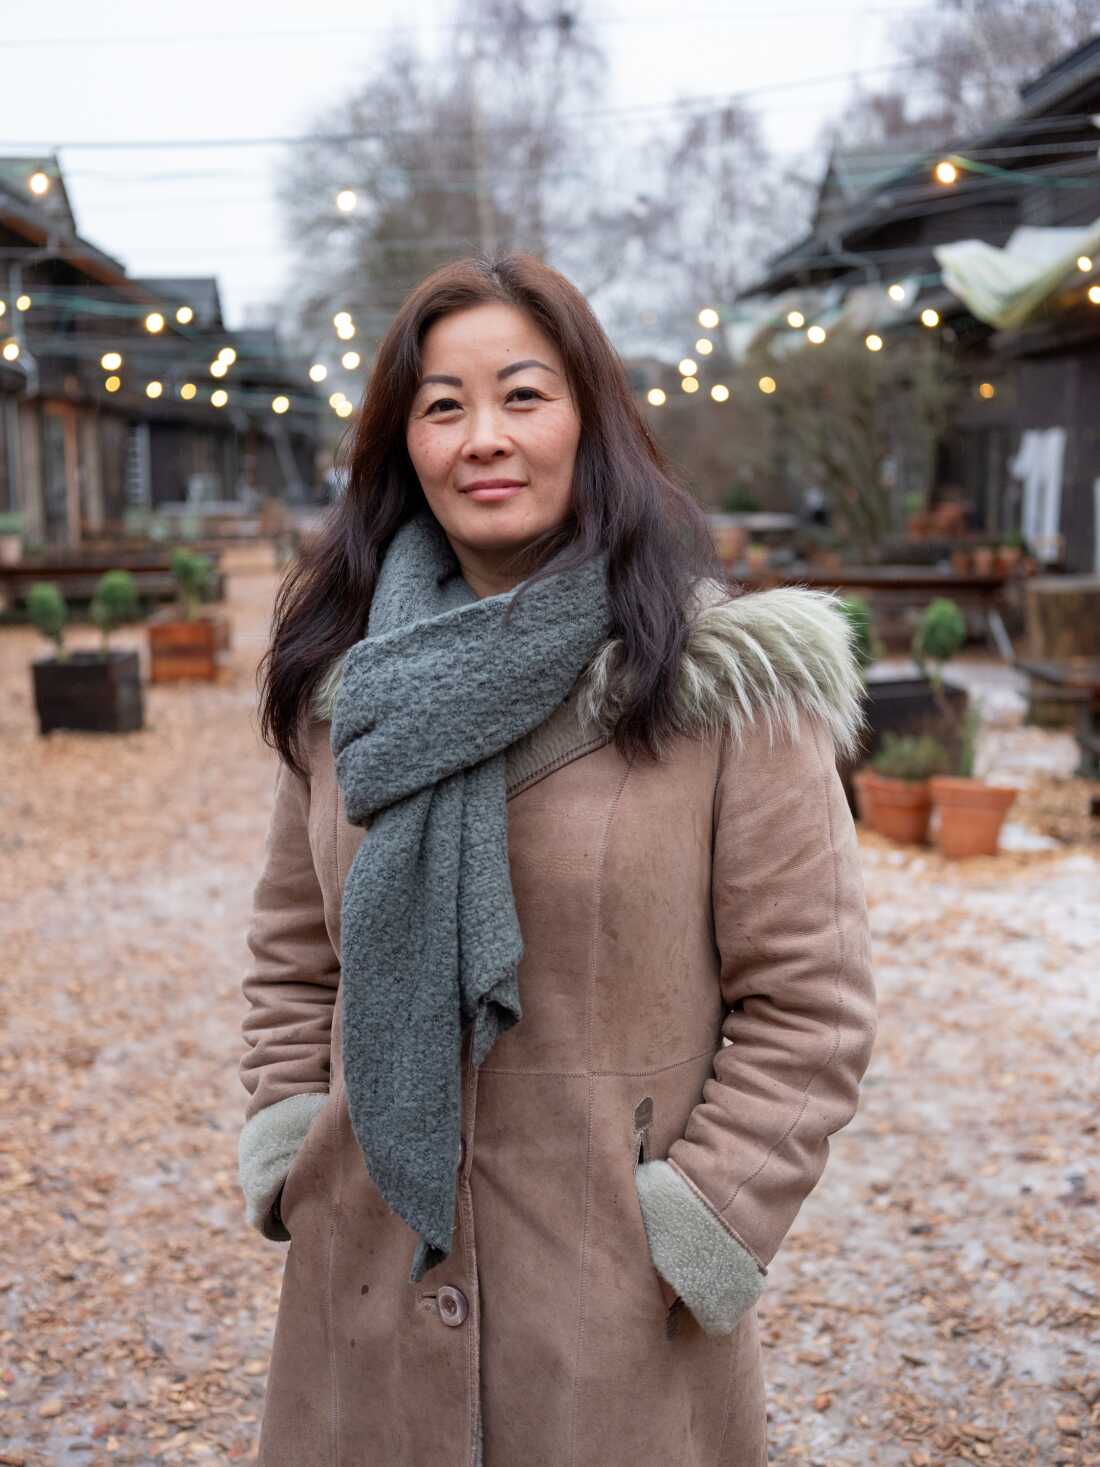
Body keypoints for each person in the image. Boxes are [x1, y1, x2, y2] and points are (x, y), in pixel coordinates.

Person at [237, 251, 877, 1467]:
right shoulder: (345, 691)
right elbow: (289, 950)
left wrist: (692, 1229)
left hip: (609, 1326)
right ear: (402, 446)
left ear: (591, 420)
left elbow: (812, 1004)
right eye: (443, 405)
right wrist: (289, 1141)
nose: (484, 436)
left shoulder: (722, 685)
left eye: (522, 395)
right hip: (359, 1300)